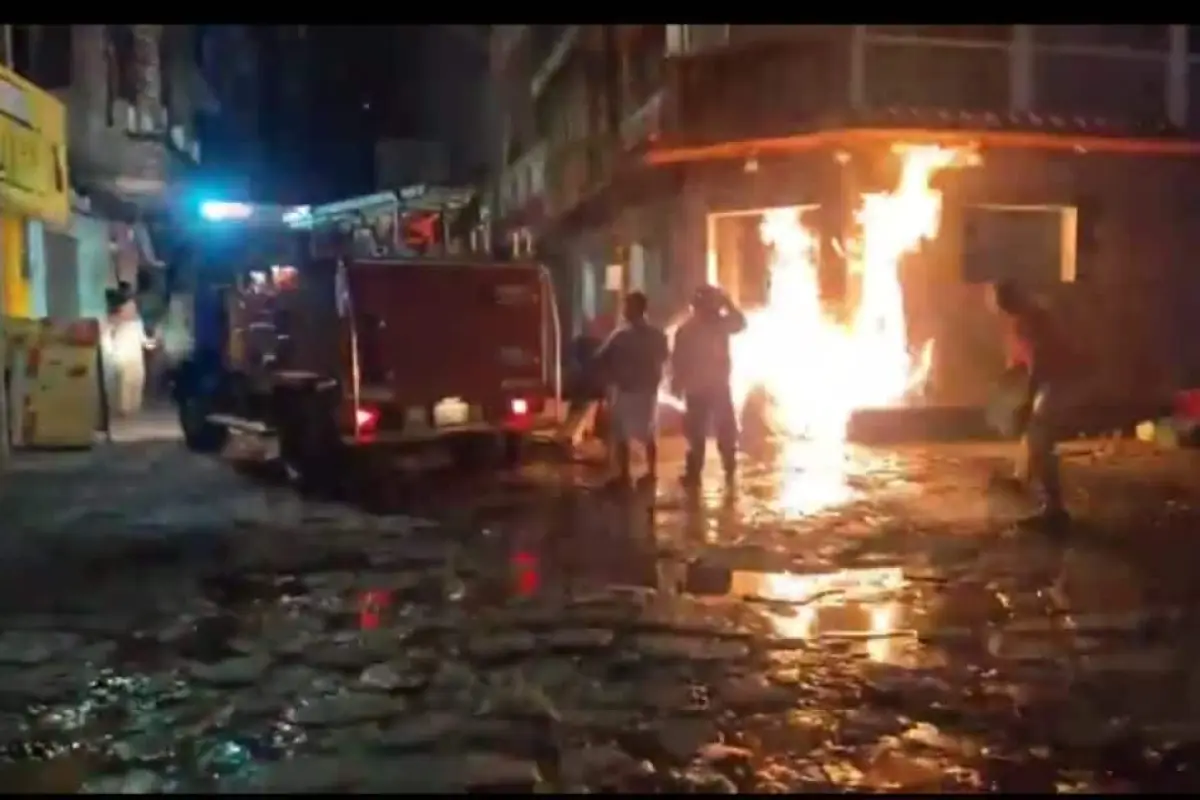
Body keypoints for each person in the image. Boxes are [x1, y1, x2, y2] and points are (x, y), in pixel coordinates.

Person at [990, 279, 1078, 529]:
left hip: (1057, 383)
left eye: (1001, 304)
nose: (1001, 310)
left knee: (1040, 441)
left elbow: (1040, 362)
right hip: (1059, 380)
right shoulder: (1036, 312)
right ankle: (1024, 482)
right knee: (1034, 437)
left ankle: (1054, 509)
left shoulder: (1030, 320)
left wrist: (1029, 398)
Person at [671, 285, 747, 490]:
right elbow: (739, 323)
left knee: (702, 431)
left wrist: (677, 382)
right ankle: (721, 469)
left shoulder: (690, 328)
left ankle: (700, 472)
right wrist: (728, 303)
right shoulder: (716, 325)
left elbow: (678, 359)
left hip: (702, 387)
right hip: (713, 385)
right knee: (714, 430)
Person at [592, 291, 669, 487]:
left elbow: (601, 357)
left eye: (627, 306)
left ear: (634, 309)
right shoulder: (656, 334)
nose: (624, 310)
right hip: (647, 391)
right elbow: (664, 357)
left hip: (627, 390)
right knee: (648, 432)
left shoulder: (621, 336)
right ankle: (651, 472)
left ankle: (625, 474)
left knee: (621, 433)